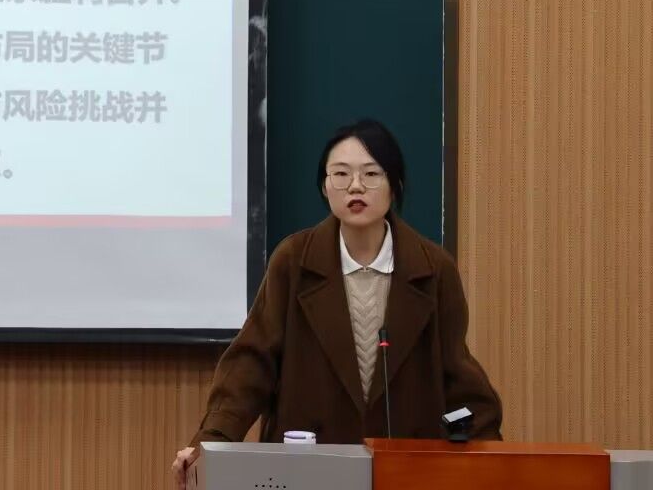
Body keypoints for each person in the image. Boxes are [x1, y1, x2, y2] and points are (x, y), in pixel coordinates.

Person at [171, 119, 501, 487]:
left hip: (404, 470)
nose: (355, 186)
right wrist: (211, 442)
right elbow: (251, 364)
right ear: (324, 186)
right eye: (341, 174)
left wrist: (491, 457)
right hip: (308, 469)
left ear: (395, 184)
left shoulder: (432, 269)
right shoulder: (294, 261)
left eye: (371, 174)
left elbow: (457, 375)